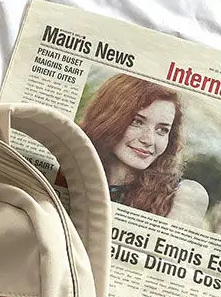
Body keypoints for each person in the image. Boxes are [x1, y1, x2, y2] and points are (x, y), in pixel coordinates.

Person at [79, 74, 208, 227]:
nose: (149, 140)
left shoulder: (184, 195)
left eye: (162, 130)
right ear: (107, 119)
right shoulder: (73, 169)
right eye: (137, 121)